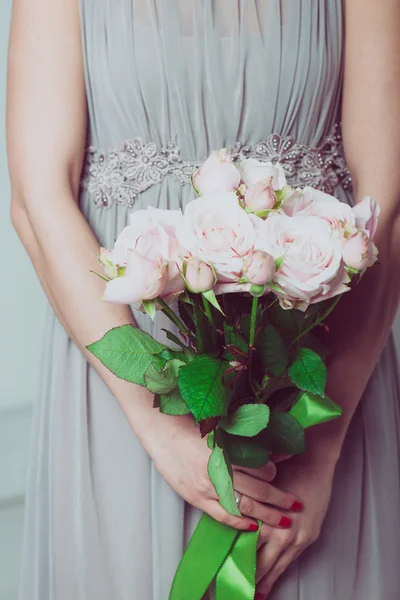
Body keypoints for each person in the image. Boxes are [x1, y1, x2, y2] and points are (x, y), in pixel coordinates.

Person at [6, 1, 400, 599]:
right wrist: (152, 423)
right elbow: (38, 199)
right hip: (125, 378)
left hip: (322, 388)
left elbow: (386, 210)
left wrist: (319, 450)